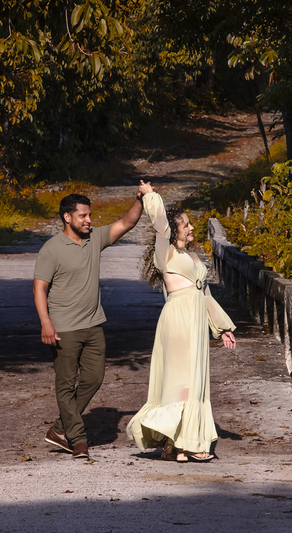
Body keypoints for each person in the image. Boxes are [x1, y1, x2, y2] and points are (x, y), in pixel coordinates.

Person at [126, 180, 236, 463]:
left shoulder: (192, 256)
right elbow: (160, 220)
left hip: (196, 320)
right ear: (173, 231)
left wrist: (222, 327)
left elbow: (205, 293)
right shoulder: (167, 252)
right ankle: (187, 443)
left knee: (193, 381)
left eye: (189, 223)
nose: (190, 227)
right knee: (183, 381)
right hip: (178, 321)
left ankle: (176, 443)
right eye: (185, 224)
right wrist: (150, 196)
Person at [34, 189, 144, 459]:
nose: (88, 220)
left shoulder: (95, 239)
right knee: (66, 383)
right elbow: (39, 289)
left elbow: (127, 223)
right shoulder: (51, 249)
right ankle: (78, 438)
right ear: (67, 217)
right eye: (82, 215)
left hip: (93, 324)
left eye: (90, 215)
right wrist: (46, 324)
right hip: (63, 328)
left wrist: (140, 199)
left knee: (94, 378)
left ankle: (59, 429)